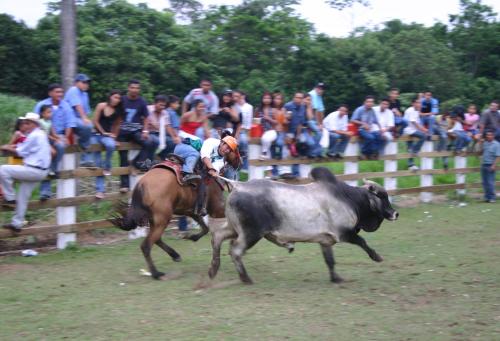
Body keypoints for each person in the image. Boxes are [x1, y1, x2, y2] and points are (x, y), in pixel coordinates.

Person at [0, 113, 51, 232]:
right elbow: (25, 149)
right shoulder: (40, 134)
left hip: (33, 169)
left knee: (2, 169)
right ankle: (17, 224)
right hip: (40, 171)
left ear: (33, 124)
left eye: (27, 123)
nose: (25, 125)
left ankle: (10, 198)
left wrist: (6, 147)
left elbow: (20, 151)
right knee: (23, 197)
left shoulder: (34, 135)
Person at [34, 83, 75, 201]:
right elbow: (35, 122)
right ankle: (45, 191)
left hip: (58, 134)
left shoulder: (66, 105)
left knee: (61, 146)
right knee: (46, 158)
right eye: (57, 92)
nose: (60, 94)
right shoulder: (41, 105)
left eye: (61, 92)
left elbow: (70, 123)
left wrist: (66, 137)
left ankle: (53, 169)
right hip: (42, 135)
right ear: (50, 93)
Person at [118, 80, 159, 192]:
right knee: (123, 157)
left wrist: (145, 131)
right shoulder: (122, 100)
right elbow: (116, 115)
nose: (134, 90)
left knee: (148, 142)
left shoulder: (141, 101)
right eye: (132, 87)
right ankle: (124, 185)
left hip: (136, 130)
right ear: (128, 88)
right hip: (122, 131)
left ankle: (136, 162)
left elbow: (146, 117)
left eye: (137, 88)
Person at [91, 90, 124, 199]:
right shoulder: (101, 106)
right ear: (110, 97)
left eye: (119, 98)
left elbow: (117, 125)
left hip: (107, 136)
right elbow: (94, 121)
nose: (116, 100)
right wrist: (103, 132)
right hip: (95, 135)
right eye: (115, 97)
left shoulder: (118, 111)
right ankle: (100, 190)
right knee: (97, 163)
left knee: (111, 145)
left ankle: (107, 165)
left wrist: (115, 136)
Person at [63, 73, 94, 166]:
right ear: (76, 82)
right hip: (68, 117)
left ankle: (86, 159)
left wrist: (87, 120)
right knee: (87, 126)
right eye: (83, 82)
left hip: (77, 119)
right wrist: (84, 119)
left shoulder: (85, 94)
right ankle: (84, 155)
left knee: (90, 129)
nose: (86, 84)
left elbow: (86, 111)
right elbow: (78, 106)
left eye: (87, 83)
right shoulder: (73, 90)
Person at [284, 92, 308, 177]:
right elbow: (284, 121)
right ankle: (288, 173)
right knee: (290, 151)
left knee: (302, 144)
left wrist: (297, 136)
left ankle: (296, 173)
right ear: (293, 98)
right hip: (287, 131)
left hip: (297, 132)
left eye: (301, 98)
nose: (299, 99)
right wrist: (287, 135)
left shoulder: (303, 107)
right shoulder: (288, 106)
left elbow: (300, 123)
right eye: (297, 97)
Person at [258, 92, 285, 160]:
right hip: (260, 130)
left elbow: (277, 122)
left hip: (271, 130)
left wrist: (268, 119)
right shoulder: (258, 109)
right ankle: (265, 154)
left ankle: (264, 153)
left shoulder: (273, 109)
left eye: (268, 98)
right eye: (265, 98)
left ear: (271, 100)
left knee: (265, 138)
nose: (266, 100)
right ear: (262, 99)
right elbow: (255, 120)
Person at [403, 97, 427, 171]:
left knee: (410, 148)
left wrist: (422, 128)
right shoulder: (411, 110)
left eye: (419, 103)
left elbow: (418, 122)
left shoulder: (416, 111)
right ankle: (415, 151)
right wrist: (422, 129)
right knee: (423, 136)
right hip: (408, 130)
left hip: (412, 130)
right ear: (413, 103)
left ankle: (411, 165)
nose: (419, 104)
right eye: (417, 102)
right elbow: (414, 122)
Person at [233, 90, 253, 170]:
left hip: (243, 130)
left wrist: (248, 134)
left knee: (244, 142)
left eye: (239, 96)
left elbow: (249, 121)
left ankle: (244, 167)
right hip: (233, 129)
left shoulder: (249, 107)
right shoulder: (233, 106)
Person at [158, 95, 182, 159]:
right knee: (176, 142)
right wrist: (176, 137)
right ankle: (166, 157)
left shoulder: (165, 111)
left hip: (164, 134)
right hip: (170, 135)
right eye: (177, 103)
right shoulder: (172, 113)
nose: (178, 105)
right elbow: (175, 128)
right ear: (171, 104)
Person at [480, 130, 500, 203]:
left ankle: (492, 197)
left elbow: (498, 156)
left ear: (493, 136)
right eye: (487, 135)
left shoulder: (497, 144)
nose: (488, 136)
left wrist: (494, 165)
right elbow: (481, 151)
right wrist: (480, 143)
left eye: (490, 135)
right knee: (484, 182)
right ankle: (487, 197)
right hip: (483, 165)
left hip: (490, 165)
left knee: (490, 182)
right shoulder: (485, 143)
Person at [303, 93, 323, 158]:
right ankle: (312, 153)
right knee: (312, 142)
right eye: (308, 100)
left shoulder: (310, 107)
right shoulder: (301, 107)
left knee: (320, 134)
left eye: (310, 100)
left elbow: (312, 118)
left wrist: (309, 107)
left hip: (308, 128)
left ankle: (317, 153)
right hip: (302, 128)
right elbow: (310, 119)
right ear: (303, 100)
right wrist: (308, 107)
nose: (309, 101)